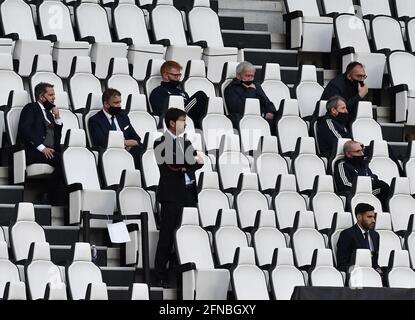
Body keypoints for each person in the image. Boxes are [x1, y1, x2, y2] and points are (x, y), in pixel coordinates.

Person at [153, 108, 204, 287]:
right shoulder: (160, 142)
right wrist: (187, 163)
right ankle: (159, 275)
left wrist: (186, 164)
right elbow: (173, 164)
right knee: (167, 236)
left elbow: (199, 162)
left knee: (185, 236)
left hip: (189, 194)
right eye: (183, 121)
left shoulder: (187, 142)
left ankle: (178, 275)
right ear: (172, 123)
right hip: (172, 195)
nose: (186, 124)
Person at [16, 82, 63, 204]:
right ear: (41, 97)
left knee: (69, 158)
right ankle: (48, 194)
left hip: (50, 150)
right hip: (33, 151)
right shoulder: (31, 108)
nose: (54, 97)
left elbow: (56, 138)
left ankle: (52, 194)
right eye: (51, 95)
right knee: (63, 160)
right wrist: (42, 148)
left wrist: (57, 118)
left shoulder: (49, 113)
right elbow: (25, 130)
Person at [88, 88, 144, 169]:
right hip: (110, 154)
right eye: (116, 103)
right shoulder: (95, 120)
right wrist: (124, 143)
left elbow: (136, 138)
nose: (119, 106)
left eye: (120, 102)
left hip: (130, 151)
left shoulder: (123, 116)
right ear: (106, 104)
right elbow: (100, 141)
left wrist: (132, 144)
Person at [149, 60, 208, 129]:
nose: (178, 78)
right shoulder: (158, 92)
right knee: (200, 95)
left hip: (188, 121)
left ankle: (199, 127)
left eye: (179, 75)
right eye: (175, 75)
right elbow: (162, 114)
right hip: (175, 121)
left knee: (207, 103)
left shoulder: (182, 92)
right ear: (165, 75)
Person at [333, 140, 390, 210]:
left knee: (385, 187)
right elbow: (345, 184)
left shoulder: (363, 164)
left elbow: (373, 179)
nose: (361, 154)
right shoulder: (342, 164)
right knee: (384, 189)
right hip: (355, 195)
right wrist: (364, 188)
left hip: (368, 194)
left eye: (361, 150)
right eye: (357, 151)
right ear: (348, 154)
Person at [224, 61, 277, 132]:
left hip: (260, 116)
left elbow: (266, 101)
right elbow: (237, 108)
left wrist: (270, 111)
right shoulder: (230, 88)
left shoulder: (255, 85)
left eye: (252, 76)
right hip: (243, 118)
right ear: (238, 76)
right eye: (247, 76)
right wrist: (250, 90)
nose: (250, 79)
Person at [336, 203, 381, 274]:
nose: (373, 220)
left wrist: (378, 270)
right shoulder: (347, 234)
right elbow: (342, 264)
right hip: (355, 276)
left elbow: (374, 262)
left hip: (372, 275)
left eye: (374, 217)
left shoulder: (375, 235)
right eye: (369, 217)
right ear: (359, 217)